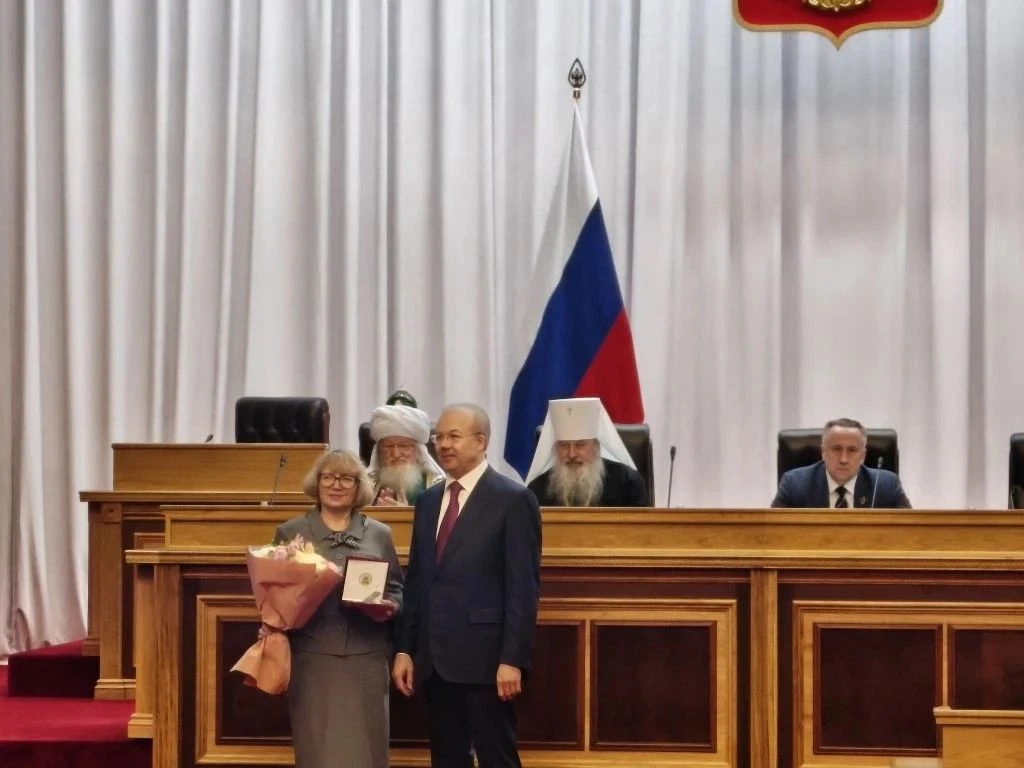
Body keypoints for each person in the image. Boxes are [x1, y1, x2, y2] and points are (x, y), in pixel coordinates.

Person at [392, 403, 542, 768]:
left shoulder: (513, 499)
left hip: (486, 661)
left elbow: (522, 588)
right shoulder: (428, 500)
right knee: (446, 758)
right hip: (433, 660)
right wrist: (405, 649)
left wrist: (512, 659)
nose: (443, 444)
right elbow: (417, 581)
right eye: (439, 436)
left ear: (481, 442)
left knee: (497, 758)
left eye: (454, 436)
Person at [274, 449, 404, 768]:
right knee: (317, 751)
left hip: (366, 658)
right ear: (316, 482)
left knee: (366, 752)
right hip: (312, 658)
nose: (336, 485)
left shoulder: (380, 533)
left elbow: (397, 589)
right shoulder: (290, 532)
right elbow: (273, 594)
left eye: (347, 478)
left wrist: (390, 607)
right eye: (328, 477)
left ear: (359, 486)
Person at [525, 397, 649, 507]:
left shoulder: (628, 483)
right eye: (564, 445)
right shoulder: (536, 489)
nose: (572, 454)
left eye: (580, 445)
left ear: (596, 447)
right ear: (555, 448)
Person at [771, 418, 912, 509]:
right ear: (823, 452)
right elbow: (773, 534)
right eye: (836, 449)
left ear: (863, 456)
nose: (843, 459)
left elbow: (911, 533)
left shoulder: (886, 486)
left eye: (852, 450)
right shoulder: (794, 484)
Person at [367, 392, 444, 506]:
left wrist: (406, 513)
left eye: (404, 446)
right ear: (380, 451)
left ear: (418, 450)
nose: (396, 454)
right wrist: (375, 514)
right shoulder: (366, 485)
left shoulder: (438, 486)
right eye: (388, 446)